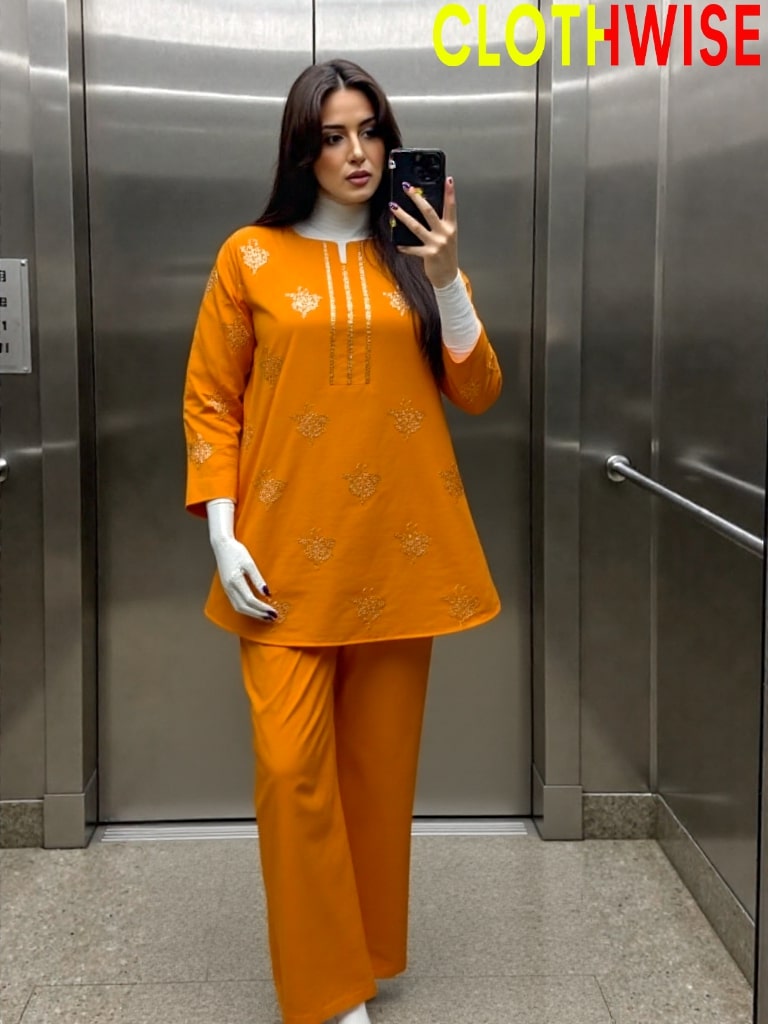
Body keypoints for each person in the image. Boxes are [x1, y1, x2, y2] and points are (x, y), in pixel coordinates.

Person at [183, 58, 502, 1024]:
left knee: (375, 777)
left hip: (400, 556)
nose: (356, 153)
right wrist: (224, 537)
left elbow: (479, 387)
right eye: (332, 135)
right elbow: (211, 402)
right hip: (280, 559)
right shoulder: (249, 257)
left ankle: (357, 966)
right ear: (301, 149)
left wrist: (446, 278)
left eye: (369, 131)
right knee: (291, 774)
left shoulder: (418, 255)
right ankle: (323, 994)